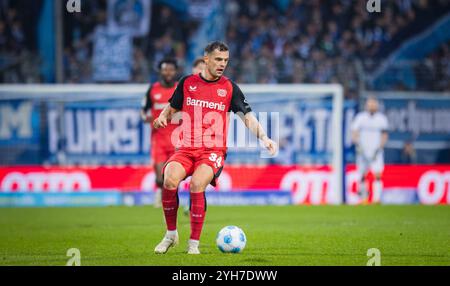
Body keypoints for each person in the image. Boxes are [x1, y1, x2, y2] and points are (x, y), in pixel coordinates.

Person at [153, 41, 277, 254]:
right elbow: (172, 107)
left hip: (212, 151)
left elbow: (247, 117)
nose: (222, 64)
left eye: (226, 61)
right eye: (218, 59)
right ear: (206, 59)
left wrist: (264, 138)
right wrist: (162, 117)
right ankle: (171, 234)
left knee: (196, 185)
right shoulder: (187, 83)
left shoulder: (230, 88)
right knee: (169, 179)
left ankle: (193, 245)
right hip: (185, 148)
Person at [141, 58, 179, 208]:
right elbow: (143, 111)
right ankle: (159, 194)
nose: (168, 72)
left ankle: (170, 202)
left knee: (173, 176)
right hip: (158, 140)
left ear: (175, 71)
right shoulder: (153, 90)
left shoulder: (180, 89)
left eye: (171, 70)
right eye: (165, 69)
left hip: (177, 140)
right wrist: (146, 118)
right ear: (160, 71)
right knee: (159, 177)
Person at [351, 97, 389, 204]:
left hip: (376, 151)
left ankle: (377, 199)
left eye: (374, 104)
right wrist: (358, 146)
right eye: (370, 104)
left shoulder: (381, 119)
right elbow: (354, 132)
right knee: (362, 175)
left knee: (377, 174)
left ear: (376, 105)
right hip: (363, 151)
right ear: (366, 105)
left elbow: (384, 135)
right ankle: (364, 199)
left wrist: (380, 148)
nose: (372, 106)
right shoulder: (360, 118)